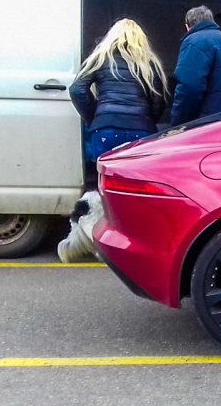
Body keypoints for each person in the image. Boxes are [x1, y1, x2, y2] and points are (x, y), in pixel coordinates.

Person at [59, 18, 168, 263]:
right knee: (137, 192)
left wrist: (95, 117)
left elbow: (77, 89)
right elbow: (159, 100)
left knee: (105, 191)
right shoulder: (147, 62)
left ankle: (106, 245)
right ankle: (136, 245)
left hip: (105, 131)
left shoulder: (101, 57)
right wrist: (146, 121)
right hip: (139, 134)